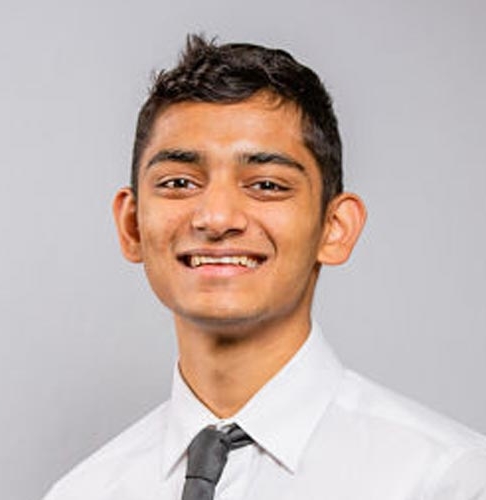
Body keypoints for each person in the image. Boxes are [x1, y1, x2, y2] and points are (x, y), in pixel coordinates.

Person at [43, 35, 486, 500]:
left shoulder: (451, 481)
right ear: (132, 225)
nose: (216, 218)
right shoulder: (82, 492)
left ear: (335, 228)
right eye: (179, 182)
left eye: (267, 185)